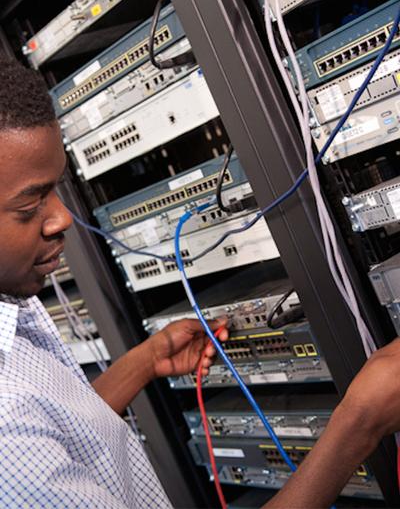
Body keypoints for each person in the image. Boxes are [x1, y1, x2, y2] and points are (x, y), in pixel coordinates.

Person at [0, 56, 398, 509]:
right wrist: (358, 424)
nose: (62, 218)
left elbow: (60, 428)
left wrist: (144, 362)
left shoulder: (12, 304)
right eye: (29, 206)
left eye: (58, 190)